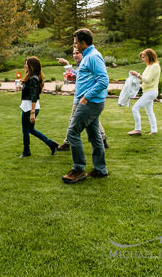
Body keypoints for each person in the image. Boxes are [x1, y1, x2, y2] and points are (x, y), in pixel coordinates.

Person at [62, 29, 109, 184]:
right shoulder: (88, 56)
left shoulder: (93, 57)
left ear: (83, 43)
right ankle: (100, 169)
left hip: (90, 103)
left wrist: (86, 97)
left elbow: (103, 81)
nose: (75, 46)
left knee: (72, 132)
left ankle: (78, 169)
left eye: (76, 43)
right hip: (91, 102)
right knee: (95, 136)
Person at [55, 47, 108, 151]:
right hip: (82, 97)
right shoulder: (81, 64)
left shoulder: (90, 60)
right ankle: (102, 139)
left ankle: (67, 143)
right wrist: (67, 64)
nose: (75, 55)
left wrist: (85, 97)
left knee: (73, 122)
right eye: (73, 53)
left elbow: (102, 81)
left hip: (83, 98)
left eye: (77, 53)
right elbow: (78, 76)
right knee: (93, 120)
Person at [19, 57, 59, 157]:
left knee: (25, 130)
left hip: (29, 108)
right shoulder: (32, 77)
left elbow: (34, 96)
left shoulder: (33, 79)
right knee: (31, 130)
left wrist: (32, 113)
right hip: (30, 107)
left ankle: (26, 151)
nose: (25, 65)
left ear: (31, 66)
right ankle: (50, 143)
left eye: (27, 64)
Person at [127, 48, 161, 135]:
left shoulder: (155, 66)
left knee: (135, 108)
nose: (142, 59)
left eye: (144, 57)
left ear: (149, 56)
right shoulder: (149, 66)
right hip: (148, 91)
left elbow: (148, 80)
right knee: (149, 112)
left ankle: (137, 129)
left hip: (151, 92)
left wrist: (137, 74)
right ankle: (154, 130)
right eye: (142, 57)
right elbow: (144, 80)